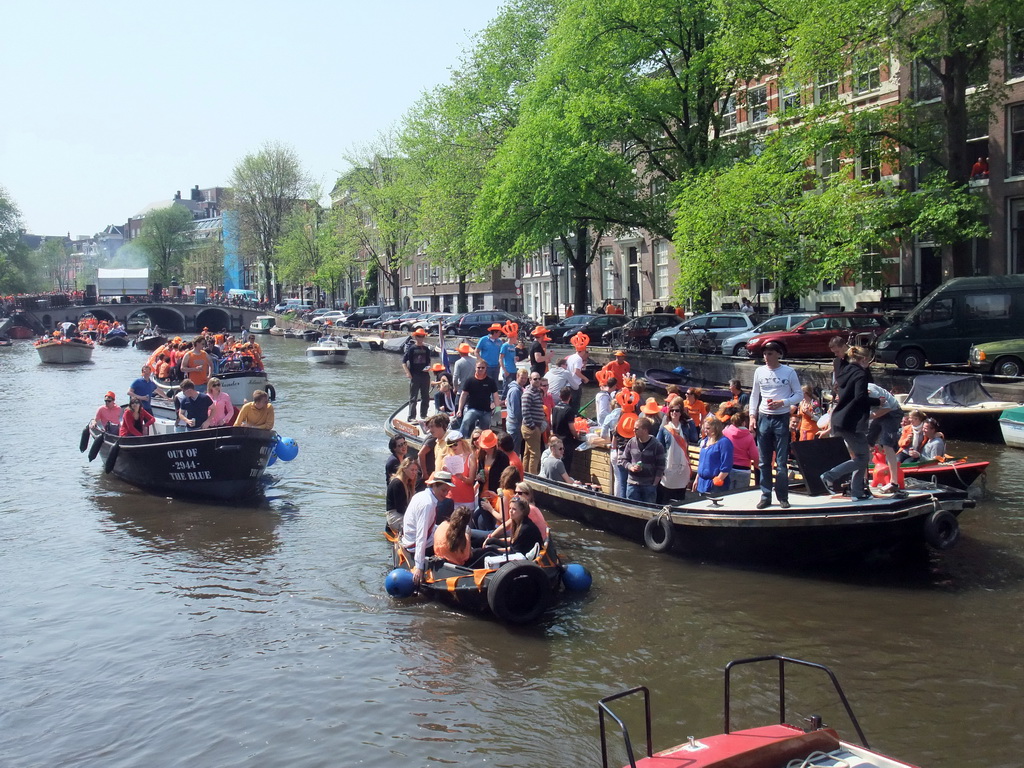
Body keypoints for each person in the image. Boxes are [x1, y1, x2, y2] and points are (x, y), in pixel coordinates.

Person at [749, 341, 802, 509]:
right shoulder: (759, 371)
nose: (766, 357)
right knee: (764, 461)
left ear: (778, 354)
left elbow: (799, 394)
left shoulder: (789, 372)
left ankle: (783, 496)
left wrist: (784, 402)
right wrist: (752, 416)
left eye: (770, 353)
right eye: (765, 353)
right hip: (764, 417)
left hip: (781, 417)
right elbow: (754, 395)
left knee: (781, 461)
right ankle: (765, 495)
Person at [820, 346, 876, 501]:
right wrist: (877, 400)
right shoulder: (860, 373)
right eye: (869, 360)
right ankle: (829, 476)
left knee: (861, 456)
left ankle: (857, 492)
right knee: (863, 457)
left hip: (839, 418)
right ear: (864, 359)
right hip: (851, 421)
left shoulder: (845, 370)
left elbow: (845, 393)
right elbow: (860, 398)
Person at [401, 471, 456, 584]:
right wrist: (419, 567)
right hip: (415, 545)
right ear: (434, 485)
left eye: (448, 491)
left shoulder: (421, 495)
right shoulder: (428, 504)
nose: (445, 494)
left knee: (456, 530)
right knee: (455, 540)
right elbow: (421, 536)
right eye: (443, 490)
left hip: (413, 539)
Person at [866, 382, 904, 493]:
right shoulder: (852, 391)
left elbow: (886, 408)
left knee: (887, 445)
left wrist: (869, 417)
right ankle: (863, 480)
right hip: (879, 412)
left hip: (892, 412)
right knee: (867, 443)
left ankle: (894, 482)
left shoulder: (871, 392)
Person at [620, 416, 666, 503]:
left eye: (636, 429)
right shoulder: (631, 442)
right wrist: (631, 467)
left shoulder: (656, 445)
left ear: (645, 430)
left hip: (649, 485)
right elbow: (623, 460)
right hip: (632, 484)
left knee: (648, 512)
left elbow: (661, 466)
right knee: (631, 511)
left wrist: (655, 483)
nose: (634, 431)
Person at [656, 400, 692, 503]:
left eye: (677, 411)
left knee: (680, 497)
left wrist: (691, 422)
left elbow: (694, 437)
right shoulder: (664, 429)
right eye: (672, 410)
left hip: (683, 466)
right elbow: (659, 447)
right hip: (669, 466)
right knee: (665, 494)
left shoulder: (685, 427)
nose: (674, 413)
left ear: (681, 413)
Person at [457, 360, 501, 438]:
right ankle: (461, 439)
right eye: (478, 367)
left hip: (486, 411)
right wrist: (460, 409)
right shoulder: (470, 381)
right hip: (472, 409)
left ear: (486, 368)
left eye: (482, 368)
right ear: (475, 368)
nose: (480, 369)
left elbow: (495, 396)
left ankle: (484, 444)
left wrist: (498, 410)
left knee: (485, 431)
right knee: (466, 421)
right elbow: (463, 395)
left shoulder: (490, 381)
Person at [693, 415, 734, 494]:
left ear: (716, 428)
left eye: (708, 428)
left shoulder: (724, 442)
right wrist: (696, 478)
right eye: (704, 428)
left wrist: (717, 480)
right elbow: (701, 462)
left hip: (715, 485)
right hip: (701, 483)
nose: (705, 430)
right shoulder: (705, 441)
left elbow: (727, 465)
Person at [438, 430, 478, 508]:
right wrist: (443, 472)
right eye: (450, 446)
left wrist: (462, 477)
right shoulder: (447, 458)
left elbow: (471, 481)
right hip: (450, 498)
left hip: (466, 500)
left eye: (455, 444)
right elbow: (441, 482)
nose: (453, 447)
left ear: (461, 442)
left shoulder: (470, 457)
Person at [402, 329, 432, 421]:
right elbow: (404, 362)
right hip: (414, 375)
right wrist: (407, 372)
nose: (421, 338)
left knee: (425, 396)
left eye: (422, 336)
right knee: (413, 397)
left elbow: (429, 361)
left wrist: (428, 368)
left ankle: (424, 415)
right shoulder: (411, 348)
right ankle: (411, 417)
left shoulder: (426, 349)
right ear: (415, 337)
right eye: (419, 336)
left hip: (425, 375)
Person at [723, 411, 759, 490]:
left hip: (729, 467)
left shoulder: (726, 432)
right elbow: (754, 455)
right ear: (743, 423)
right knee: (740, 496)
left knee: (727, 495)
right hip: (744, 469)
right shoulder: (749, 437)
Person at [550, 386, 581, 474]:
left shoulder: (555, 408)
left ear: (560, 396)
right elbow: (571, 427)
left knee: (556, 461)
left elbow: (552, 422)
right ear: (570, 397)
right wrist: (577, 436)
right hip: (566, 441)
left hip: (556, 439)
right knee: (566, 464)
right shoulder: (569, 410)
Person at [521, 372, 547, 474]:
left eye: (538, 378)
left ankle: (525, 474)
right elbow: (525, 411)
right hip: (531, 427)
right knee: (535, 454)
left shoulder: (537, 392)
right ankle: (533, 476)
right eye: (534, 379)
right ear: (530, 380)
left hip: (535, 426)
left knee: (527, 453)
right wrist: (533, 426)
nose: (537, 381)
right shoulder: (528, 394)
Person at [386, 457, 419, 533]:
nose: (414, 472)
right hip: (395, 515)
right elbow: (400, 508)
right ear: (404, 469)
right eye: (412, 470)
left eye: (416, 470)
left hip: (403, 513)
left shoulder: (408, 482)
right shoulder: (397, 483)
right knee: (417, 528)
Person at [475, 429, 510, 495]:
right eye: (484, 447)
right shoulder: (481, 456)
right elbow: (479, 472)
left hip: (496, 494)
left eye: (489, 447)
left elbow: (505, 479)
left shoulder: (503, 457)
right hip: (482, 493)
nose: (486, 449)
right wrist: (478, 477)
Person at [417, 413, 450, 480]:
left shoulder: (450, 440)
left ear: (440, 425)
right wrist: (425, 473)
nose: (430, 430)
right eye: (429, 427)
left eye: (432, 427)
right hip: (432, 475)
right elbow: (421, 454)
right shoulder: (435, 440)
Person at [505, 369, 527, 454]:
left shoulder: (518, 389)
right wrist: (522, 423)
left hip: (514, 423)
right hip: (515, 424)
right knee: (514, 452)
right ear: (517, 376)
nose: (524, 380)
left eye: (525, 378)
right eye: (522, 378)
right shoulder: (515, 391)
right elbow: (516, 410)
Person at [565, 343, 589, 412]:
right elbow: (576, 371)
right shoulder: (579, 359)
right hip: (575, 384)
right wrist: (585, 378)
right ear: (583, 350)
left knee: (569, 404)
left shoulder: (571, 357)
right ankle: (574, 419)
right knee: (575, 405)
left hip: (568, 383)